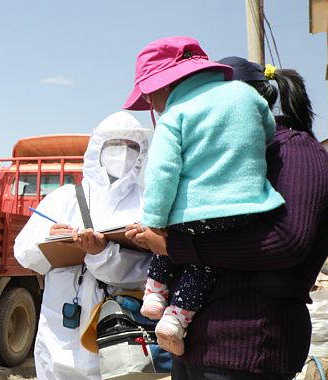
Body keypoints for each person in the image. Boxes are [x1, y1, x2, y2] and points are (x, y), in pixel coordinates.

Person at [127, 58, 328, 380]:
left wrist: (176, 248)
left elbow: (286, 242)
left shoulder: (295, 151)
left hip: (248, 341)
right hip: (200, 345)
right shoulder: (235, 158)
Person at [14, 111, 154, 380]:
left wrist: (103, 255)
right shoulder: (62, 199)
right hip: (61, 334)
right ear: (98, 149)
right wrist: (59, 240)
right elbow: (24, 252)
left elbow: (152, 270)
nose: (122, 154)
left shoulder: (147, 204)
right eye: (115, 145)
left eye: (131, 146)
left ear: (142, 152)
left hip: (121, 333)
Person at [122, 37, 285, 356]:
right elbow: (268, 133)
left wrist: (153, 223)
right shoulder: (245, 94)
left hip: (193, 213)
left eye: (148, 96)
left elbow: (162, 174)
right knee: (206, 263)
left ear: (164, 87)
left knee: (172, 229)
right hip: (247, 209)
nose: (151, 105)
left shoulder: (176, 113)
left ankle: (155, 293)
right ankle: (176, 318)